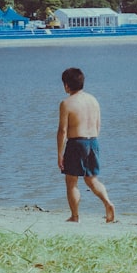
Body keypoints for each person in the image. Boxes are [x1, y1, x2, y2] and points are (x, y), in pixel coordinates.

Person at [57, 67, 115, 223]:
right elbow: (98, 125)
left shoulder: (66, 103)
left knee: (71, 181)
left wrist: (59, 154)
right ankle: (107, 202)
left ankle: (75, 216)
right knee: (92, 179)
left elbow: (62, 131)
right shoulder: (93, 100)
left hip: (76, 142)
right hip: (93, 141)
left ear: (67, 85)